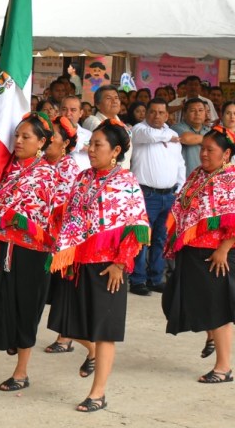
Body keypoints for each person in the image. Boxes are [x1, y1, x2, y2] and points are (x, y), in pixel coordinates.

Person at [49, 120, 150, 411]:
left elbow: (136, 226)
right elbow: (70, 214)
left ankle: (98, 394)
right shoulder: (83, 178)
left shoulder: (126, 183)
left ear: (116, 150)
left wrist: (121, 263)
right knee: (67, 323)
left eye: (98, 145)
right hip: (79, 262)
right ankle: (92, 353)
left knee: (105, 331)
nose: (90, 150)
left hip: (109, 267)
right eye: (90, 144)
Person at [0, 113, 59, 391]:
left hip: (31, 252)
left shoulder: (47, 174)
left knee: (26, 310)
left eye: (26, 137)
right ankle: (10, 341)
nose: (18, 141)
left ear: (41, 142)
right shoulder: (7, 169)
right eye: (16, 136)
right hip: (2, 248)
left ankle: (21, 373)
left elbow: (32, 215)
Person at [163, 126, 235, 382]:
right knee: (186, 301)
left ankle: (223, 368)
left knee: (218, 310)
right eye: (202, 148)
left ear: (226, 154)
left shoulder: (230, 179)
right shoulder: (198, 174)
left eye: (210, 150)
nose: (203, 154)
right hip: (192, 251)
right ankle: (211, 338)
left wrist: (224, 249)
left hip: (215, 254)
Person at [129, 99, 185, 296]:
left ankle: (155, 278)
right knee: (142, 238)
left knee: (161, 238)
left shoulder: (173, 134)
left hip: (168, 194)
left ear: (167, 115)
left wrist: (180, 189)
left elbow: (180, 164)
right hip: (146, 194)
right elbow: (151, 137)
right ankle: (137, 280)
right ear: (146, 113)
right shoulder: (139, 130)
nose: (157, 116)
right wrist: (169, 137)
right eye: (152, 112)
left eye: (161, 112)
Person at [42, 116, 82, 355]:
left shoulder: (70, 168)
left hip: (62, 237)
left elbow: (57, 202)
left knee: (63, 289)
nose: (48, 140)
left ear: (65, 143)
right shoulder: (42, 162)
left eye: (53, 136)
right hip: (42, 234)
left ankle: (65, 336)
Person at [172, 98, 210, 176]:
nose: (197, 113)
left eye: (200, 110)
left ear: (205, 113)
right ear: (185, 114)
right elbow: (186, 138)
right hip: (184, 180)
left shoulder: (209, 130)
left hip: (205, 179)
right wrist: (211, 140)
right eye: (193, 110)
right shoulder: (176, 128)